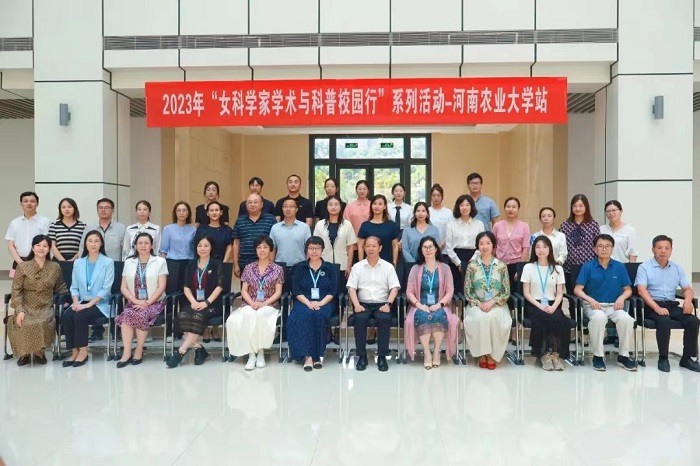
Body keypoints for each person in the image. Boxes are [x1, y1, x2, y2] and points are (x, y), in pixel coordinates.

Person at [635, 235, 700, 373]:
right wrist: (657, 307)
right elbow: (641, 290)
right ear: (653, 249)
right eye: (659, 248)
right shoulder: (644, 267)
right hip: (651, 305)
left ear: (671, 250)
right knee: (664, 321)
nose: (663, 251)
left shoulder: (676, 268)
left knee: (693, 320)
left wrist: (688, 301)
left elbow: (687, 289)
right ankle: (663, 358)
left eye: (667, 248)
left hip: (671, 305)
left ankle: (687, 358)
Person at [573, 234, 637, 372]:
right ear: (594, 249)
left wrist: (621, 298)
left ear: (612, 248)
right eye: (600, 246)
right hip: (593, 306)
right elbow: (577, 289)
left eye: (607, 246)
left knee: (627, 319)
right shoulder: (588, 266)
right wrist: (590, 300)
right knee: (599, 318)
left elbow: (628, 290)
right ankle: (598, 356)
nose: (604, 249)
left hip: (614, 306)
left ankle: (624, 356)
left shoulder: (619, 267)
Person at [226, 236, 285, 370]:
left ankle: (261, 353)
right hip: (250, 304)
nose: (262, 250)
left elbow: (278, 293)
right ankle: (252, 354)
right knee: (247, 316)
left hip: (269, 305)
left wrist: (264, 304)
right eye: (259, 247)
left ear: (270, 250)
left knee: (260, 316)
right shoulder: (248, 268)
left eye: (265, 247)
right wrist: (252, 303)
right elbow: (244, 291)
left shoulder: (278, 269)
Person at [7, 235, 67, 366]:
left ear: (49, 249)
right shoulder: (23, 267)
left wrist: (66, 301)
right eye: (38, 245)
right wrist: (20, 310)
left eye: (45, 246)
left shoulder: (55, 267)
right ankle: (24, 353)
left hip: (45, 306)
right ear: (33, 248)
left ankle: (39, 352)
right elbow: (16, 291)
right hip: (25, 305)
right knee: (23, 321)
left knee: (41, 322)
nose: (41, 248)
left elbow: (61, 287)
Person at [166, 236, 225, 368]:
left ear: (211, 248)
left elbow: (219, 286)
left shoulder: (216, 264)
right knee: (183, 316)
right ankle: (199, 349)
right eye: (200, 245)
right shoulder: (191, 264)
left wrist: (206, 302)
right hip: (193, 302)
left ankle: (180, 352)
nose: (203, 248)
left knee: (197, 317)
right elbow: (186, 287)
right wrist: (193, 302)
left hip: (212, 303)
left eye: (206, 245)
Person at [347, 236, 401, 372]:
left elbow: (394, 288)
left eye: (374, 246)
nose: (370, 249)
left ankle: (382, 356)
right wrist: (356, 305)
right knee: (360, 319)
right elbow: (351, 288)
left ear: (380, 248)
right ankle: (362, 356)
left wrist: (388, 304)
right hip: (362, 304)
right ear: (364, 248)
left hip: (382, 303)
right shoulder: (357, 267)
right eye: (368, 246)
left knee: (384, 319)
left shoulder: (388, 267)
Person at [61, 231, 115, 367]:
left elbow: (106, 289)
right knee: (67, 315)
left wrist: (88, 305)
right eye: (90, 241)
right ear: (85, 244)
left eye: (96, 241)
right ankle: (74, 351)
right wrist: (75, 303)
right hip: (81, 302)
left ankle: (83, 351)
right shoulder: (78, 263)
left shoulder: (108, 262)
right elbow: (74, 287)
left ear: (101, 244)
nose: (93, 244)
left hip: (100, 303)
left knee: (80, 316)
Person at [115, 232, 168, 367]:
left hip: (155, 302)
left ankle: (139, 349)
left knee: (141, 314)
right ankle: (127, 353)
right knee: (126, 317)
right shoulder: (129, 262)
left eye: (146, 243)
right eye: (140, 243)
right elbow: (123, 287)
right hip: (134, 302)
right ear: (135, 245)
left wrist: (147, 303)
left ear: (151, 246)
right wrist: (136, 301)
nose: (143, 246)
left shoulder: (160, 261)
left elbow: (162, 286)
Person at [404, 237, 458, 368]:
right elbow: (409, 291)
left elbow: (450, 291)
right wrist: (419, 305)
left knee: (440, 315)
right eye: (425, 247)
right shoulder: (415, 269)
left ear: (436, 249)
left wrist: (439, 305)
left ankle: (437, 350)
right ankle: (427, 352)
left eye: (430, 247)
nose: (428, 250)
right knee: (423, 316)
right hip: (419, 305)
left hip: (440, 305)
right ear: (421, 250)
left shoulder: (445, 268)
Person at [287, 237, 338, 371]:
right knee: (300, 317)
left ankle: (318, 356)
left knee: (319, 316)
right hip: (303, 300)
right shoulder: (300, 268)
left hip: (325, 301)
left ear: (322, 250)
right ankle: (307, 356)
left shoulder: (330, 268)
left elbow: (333, 291)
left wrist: (320, 303)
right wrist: (308, 303)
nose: (314, 251)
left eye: (317, 248)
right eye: (311, 248)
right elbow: (296, 290)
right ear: (306, 250)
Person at [520, 236, 570, 371]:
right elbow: (526, 293)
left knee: (560, 320)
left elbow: (559, 293)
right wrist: (540, 306)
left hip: (553, 304)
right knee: (543, 318)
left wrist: (553, 307)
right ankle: (544, 355)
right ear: (534, 250)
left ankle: (555, 354)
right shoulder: (528, 267)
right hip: (534, 304)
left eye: (544, 247)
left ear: (550, 249)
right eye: (538, 247)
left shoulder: (557, 268)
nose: (541, 250)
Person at [463, 231, 511, 369]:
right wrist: (479, 303)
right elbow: (468, 290)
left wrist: (492, 302)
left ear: (493, 245)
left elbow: (506, 291)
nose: (485, 246)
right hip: (476, 304)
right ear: (477, 246)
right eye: (481, 243)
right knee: (481, 318)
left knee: (493, 318)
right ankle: (482, 354)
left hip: (497, 304)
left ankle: (491, 355)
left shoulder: (501, 266)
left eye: (488, 243)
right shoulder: (472, 266)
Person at [80, 198, 126, 343]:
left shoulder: (121, 228)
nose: (104, 210)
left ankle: (116, 330)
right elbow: (83, 247)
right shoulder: (90, 227)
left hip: (115, 267)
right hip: (94, 268)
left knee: (116, 298)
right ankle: (97, 331)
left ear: (112, 210)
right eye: (101, 207)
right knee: (95, 296)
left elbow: (125, 249)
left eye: (107, 207)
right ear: (97, 210)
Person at [445, 194, 485, 292]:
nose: (464, 208)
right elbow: (449, 247)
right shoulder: (451, 224)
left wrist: (472, 262)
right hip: (455, 258)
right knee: (456, 289)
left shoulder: (479, 224)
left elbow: (481, 245)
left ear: (472, 207)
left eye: (467, 205)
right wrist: (458, 264)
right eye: (462, 205)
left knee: (473, 289)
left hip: (474, 257)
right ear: (458, 207)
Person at [232, 193, 277, 279]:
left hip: (265, 262)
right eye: (249, 202)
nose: (252, 204)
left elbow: (273, 243)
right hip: (245, 263)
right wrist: (236, 264)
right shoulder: (240, 220)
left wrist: (271, 262)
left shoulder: (270, 219)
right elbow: (236, 243)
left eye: (255, 202)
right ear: (246, 205)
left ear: (262, 204)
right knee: (246, 287)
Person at [5, 191, 50, 274]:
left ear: (37, 204)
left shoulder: (45, 222)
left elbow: (46, 244)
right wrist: (21, 263)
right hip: (17, 262)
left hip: (39, 262)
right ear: (21, 204)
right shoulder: (14, 222)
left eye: (32, 201)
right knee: (14, 281)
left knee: (40, 283)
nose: (29, 203)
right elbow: (10, 245)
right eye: (25, 201)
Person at [314, 195, 357, 279]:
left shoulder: (347, 224)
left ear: (340, 207)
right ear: (326, 207)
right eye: (330, 204)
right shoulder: (320, 224)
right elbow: (315, 245)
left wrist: (349, 266)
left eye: (336, 204)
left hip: (343, 264)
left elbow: (350, 247)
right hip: (323, 263)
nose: (333, 207)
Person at [492, 197, 530, 286]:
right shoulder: (497, 226)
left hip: (516, 265)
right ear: (504, 208)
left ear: (518, 209)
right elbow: (493, 247)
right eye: (508, 206)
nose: (511, 209)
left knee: (514, 291)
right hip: (499, 264)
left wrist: (520, 268)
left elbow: (526, 249)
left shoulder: (524, 226)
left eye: (514, 207)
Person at [561, 194, 599, 274]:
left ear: (586, 207)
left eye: (581, 206)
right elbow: (561, 246)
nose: (578, 209)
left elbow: (597, 245)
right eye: (575, 206)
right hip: (569, 267)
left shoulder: (593, 225)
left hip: (589, 266)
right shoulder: (565, 225)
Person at [357, 194, 400, 266]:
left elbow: (395, 246)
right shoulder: (365, 225)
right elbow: (360, 246)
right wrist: (361, 264)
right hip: (368, 264)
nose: (377, 206)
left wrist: (394, 263)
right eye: (374, 204)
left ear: (384, 207)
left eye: (380, 204)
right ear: (371, 206)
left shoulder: (391, 225)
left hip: (387, 264)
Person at [269, 198, 312, 267]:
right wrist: (271, 266)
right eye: (285, 206)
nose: (288, 209)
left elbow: (309, 248)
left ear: (296, 209)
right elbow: (272, 249)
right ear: (282, 209)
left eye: (291, 206)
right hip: (280, 266)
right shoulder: (275, 227)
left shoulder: (304, 227)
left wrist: (308, 266)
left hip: (300, 265)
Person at [48, 197, 86, 262]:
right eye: (63, 207)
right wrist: (63, 261)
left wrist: (73, 260)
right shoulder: (54, 225)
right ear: (60, 210)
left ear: (74, 209)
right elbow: (52, 245)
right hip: (58, 260)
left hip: (77, 261)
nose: (67, 209)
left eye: (69, 207)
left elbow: (83, 246)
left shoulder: (82, 226)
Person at [428, 184, 452, 249]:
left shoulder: (448, 212)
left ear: (442, 196)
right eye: (434, 195)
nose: (436, 198)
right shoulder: (427, 211)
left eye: (438, 195)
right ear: (430, 197)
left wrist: (443, 244)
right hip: (429, 248)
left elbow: (451, 231)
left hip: (445, 248)